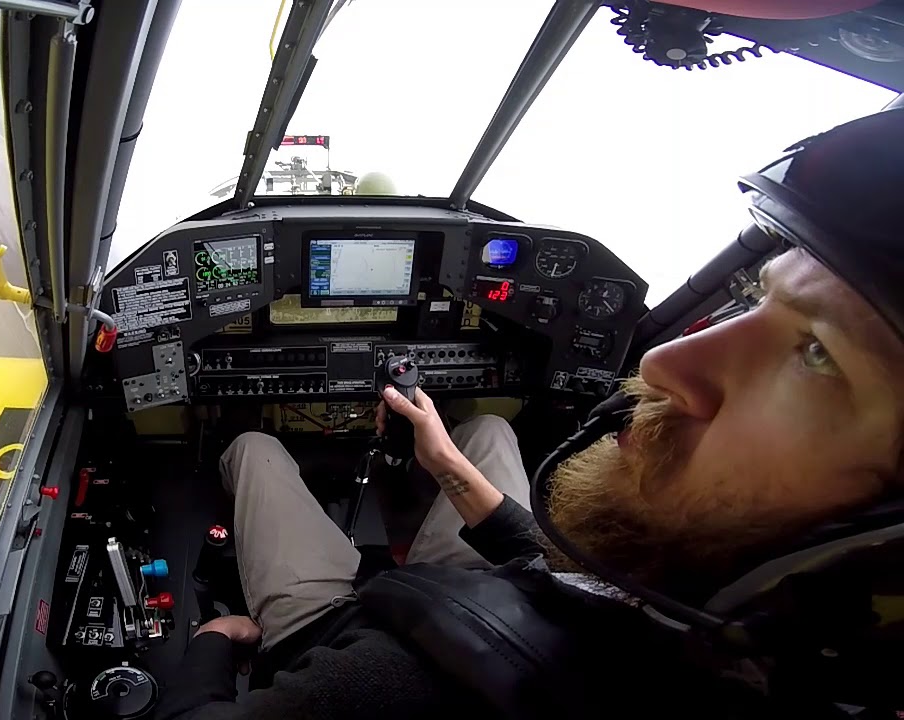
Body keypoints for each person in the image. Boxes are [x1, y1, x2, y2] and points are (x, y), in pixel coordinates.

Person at [155, 107, 904, 720]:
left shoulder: (393, 693)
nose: (659, 363)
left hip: (341, 634)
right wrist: (445, 463)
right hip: (494, 585)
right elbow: (562, 575)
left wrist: (217, 642)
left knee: (253, 447)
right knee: (487, 430)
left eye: (817, 355)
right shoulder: (697, 628)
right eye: (752, 300)